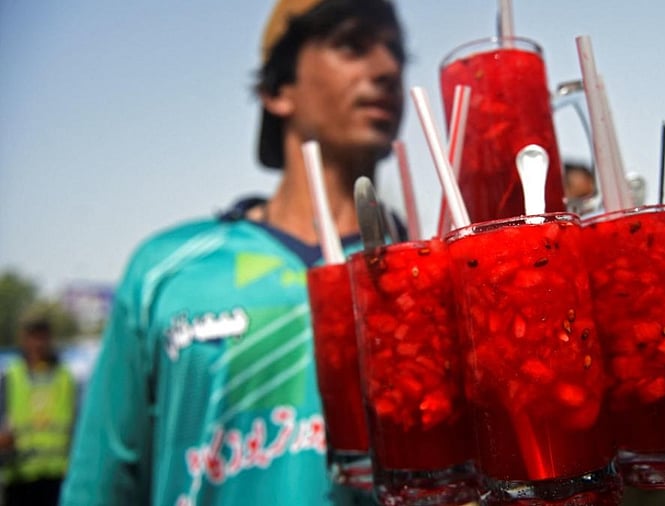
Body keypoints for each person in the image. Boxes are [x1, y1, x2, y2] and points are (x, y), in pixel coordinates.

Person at [60, 1, 405, 504]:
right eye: (352, 45)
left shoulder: (431, 274)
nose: (387, 68)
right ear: (276, 89)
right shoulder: (168, 271)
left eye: (397, 51)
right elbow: (100, 487)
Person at [0, 316, 78, 506]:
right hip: (19, 477)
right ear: (24, 340)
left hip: (58, 476)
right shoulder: (11, 377)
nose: (38, 344)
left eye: (43, 337)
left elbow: (79, 423)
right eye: (33, 337)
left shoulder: (66, 377)